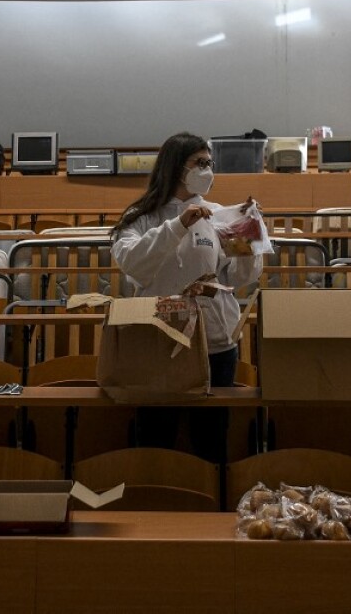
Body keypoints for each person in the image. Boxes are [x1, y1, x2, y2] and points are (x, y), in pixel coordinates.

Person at [110, 132, 264, 461]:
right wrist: (178, 225)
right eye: (200, 163)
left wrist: (250, 237)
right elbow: (134, 264)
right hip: (158, 340)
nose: (208, 170)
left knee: (210, 438)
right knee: (155, 436)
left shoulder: (219, 215)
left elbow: (240, 277)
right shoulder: (141, 216)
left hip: (214, 342)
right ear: (176, 168)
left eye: (210, 163)